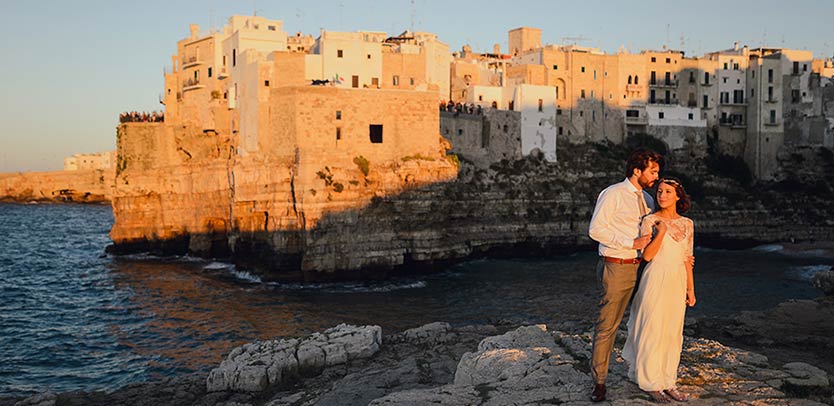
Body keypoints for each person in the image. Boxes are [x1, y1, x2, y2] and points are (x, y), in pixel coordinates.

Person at [588, 149, 663, 402]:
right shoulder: (613, 194)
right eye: (653, 171)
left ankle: (645, 375)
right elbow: (595, 230)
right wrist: (630, 242)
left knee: (644, 322)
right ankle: (599, 382)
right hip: (617, 265)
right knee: (608, 325)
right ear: (637, 170)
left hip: (642, 267)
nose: (656, 176)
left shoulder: (649, 200)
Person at [622, 177, 696, 403]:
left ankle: (668, 381)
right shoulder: (650, 220)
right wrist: (661, 232)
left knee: (672, 332)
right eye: (659, 192)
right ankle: (651, 383)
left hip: (677, 279)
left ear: (677, 197)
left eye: (667, 192)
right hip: (655, 277)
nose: (662, 196)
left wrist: (691, 289)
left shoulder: (687, 224)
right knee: (652, 329)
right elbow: (647, 255)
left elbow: (687, 258)